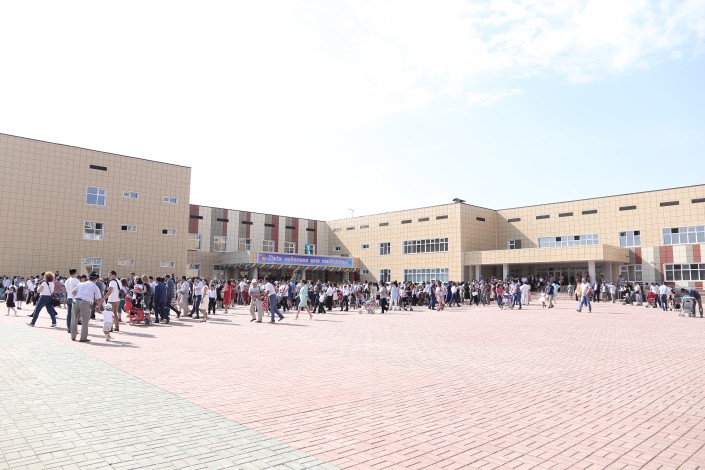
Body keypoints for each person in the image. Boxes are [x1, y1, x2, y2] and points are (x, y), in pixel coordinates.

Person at [71, 272, 103, 342]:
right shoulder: (95, 286)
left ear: (89, 277)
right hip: (85, 302)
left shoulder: (81, 284)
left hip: (76, 301)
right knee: (85, 321)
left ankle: (73, 336)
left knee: (74, 319)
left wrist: (78, 296)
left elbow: (73, 292)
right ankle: (83, 338)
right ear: (96, 279)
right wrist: (98, 307)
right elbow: (99, 299)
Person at [64, 269, 79, 333]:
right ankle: (73, 329)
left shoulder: (67, 281)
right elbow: (79, 289)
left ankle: (69, 328)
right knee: (75, 315)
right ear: (75, 273)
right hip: (74, 299)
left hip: (69, 298)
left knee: (69, 315)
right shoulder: (76, 280)